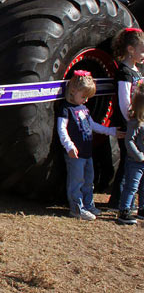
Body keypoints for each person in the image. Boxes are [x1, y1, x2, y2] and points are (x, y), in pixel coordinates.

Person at [57, 71, 123, 220]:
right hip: (75, 154)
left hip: (87, 153)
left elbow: (92, 125)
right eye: (84, 96)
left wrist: (111, 131)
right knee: (76, 181)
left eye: (87, 97)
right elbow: (61, 129)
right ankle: (76, 208)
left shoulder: (84, 108)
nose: (86, 100)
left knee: (88, 180)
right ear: (73, 91)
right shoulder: (66, 109)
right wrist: (69, 146)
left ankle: (88, 204)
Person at [107, 27, 144, 211]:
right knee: (127, 161)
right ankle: (117, 202)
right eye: (142, 50)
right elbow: (124, 102)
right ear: (131, 49)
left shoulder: (138, 70)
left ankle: (126, 200)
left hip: (139, 123)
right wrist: (131, 123)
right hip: (128, 124)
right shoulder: (124, 72)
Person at [117, 82, 144, 225]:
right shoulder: (135, 122)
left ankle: (142, 209)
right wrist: (138, 155)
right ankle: (124, 210)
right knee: (132, 186)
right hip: (135, 162)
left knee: (143, 186)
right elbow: (129, 141)